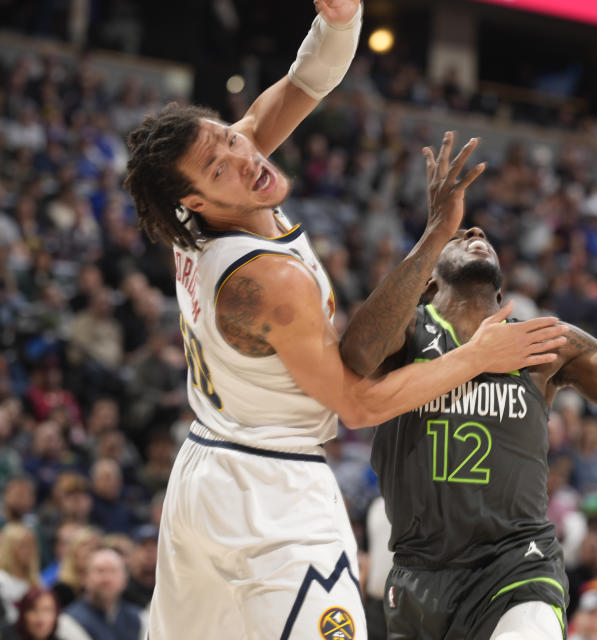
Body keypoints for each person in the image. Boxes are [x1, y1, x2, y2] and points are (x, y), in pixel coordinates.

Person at [122, 2, 567, 637]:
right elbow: (356, 405)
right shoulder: (269, 282)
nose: (244, 153)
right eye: (220, 164)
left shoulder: (197, 206)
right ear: (197, 200)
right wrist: (475, 358)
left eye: (228, 134)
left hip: (205, 466)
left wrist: (340, 19)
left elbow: (307, 80)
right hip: (271, 487)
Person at [360, 172, 597, 639]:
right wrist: (434, 233)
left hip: (518, 568)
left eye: (480, 233)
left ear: (502, 290)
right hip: (420, 576)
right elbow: (356, 354)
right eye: (460, 236)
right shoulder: (406, 334)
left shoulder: (545, 344)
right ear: (426, 283)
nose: (475, 232)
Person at [62, 548, 141, 640]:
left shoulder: (139, 619)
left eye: (113, 571)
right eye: (100, 571)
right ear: (85, 578)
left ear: (125, 580)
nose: (107, 578)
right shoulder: (68, 621)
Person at [0, 524, 40, 624]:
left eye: (31, 545)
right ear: (9, 549)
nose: (29, 551)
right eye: (22, 546)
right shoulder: (2, 580)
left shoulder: (36, 579)